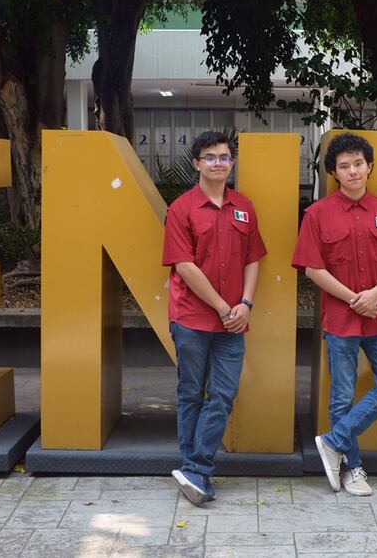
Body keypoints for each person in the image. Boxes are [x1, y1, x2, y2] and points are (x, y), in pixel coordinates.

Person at [291, 133, 377, 496]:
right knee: (342, 397)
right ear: (335, 173)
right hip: (341, 320)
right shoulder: (317, 214)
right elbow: (313, 269)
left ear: (369, 166)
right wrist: (355, 299)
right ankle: (353, 469)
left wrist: (374, 294)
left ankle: (333, 440)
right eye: (344, 166)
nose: (353, 171)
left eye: (358, 163)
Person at [162, 131, 267, 506]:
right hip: (191, 318)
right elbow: (184, 265)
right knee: (191, 393)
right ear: (196, 164)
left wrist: (246, 304)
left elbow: (253, 258)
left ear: (231, 163)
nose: (218, 163)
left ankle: (195, 470)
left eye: (224, 157)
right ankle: (197, 470)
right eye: (210, 157)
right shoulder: (182, 209)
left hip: (234, 321)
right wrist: (224, 308)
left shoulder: (244, 207)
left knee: (222, 394)